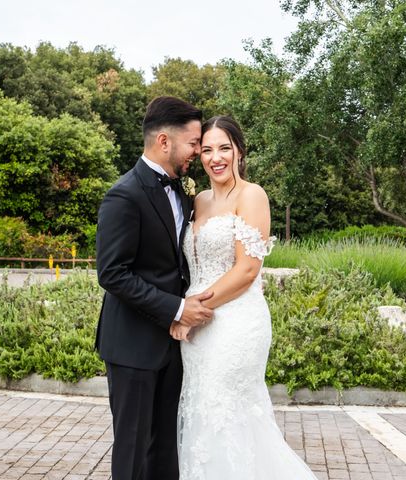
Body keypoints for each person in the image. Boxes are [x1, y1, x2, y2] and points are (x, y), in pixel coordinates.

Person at [171, 116, 318, 479]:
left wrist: (190, 310)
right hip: (197, 331)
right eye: (206, 149)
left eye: (224, 148)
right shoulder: (198, 201)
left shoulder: (252, 195)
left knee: (227, 413)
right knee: (202, 411)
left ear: (239, 150)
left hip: (235, 323)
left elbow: (246, 271)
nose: (215, 157)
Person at [96, 96, 215, 480]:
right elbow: (113, 274)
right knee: (131, 450)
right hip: (132, 345)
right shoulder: (123, 195)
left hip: (172, 346)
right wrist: (178, 309)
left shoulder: (181, 191)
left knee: (166, 449)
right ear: (165, 141)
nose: (197, 152)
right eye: (194, 143)